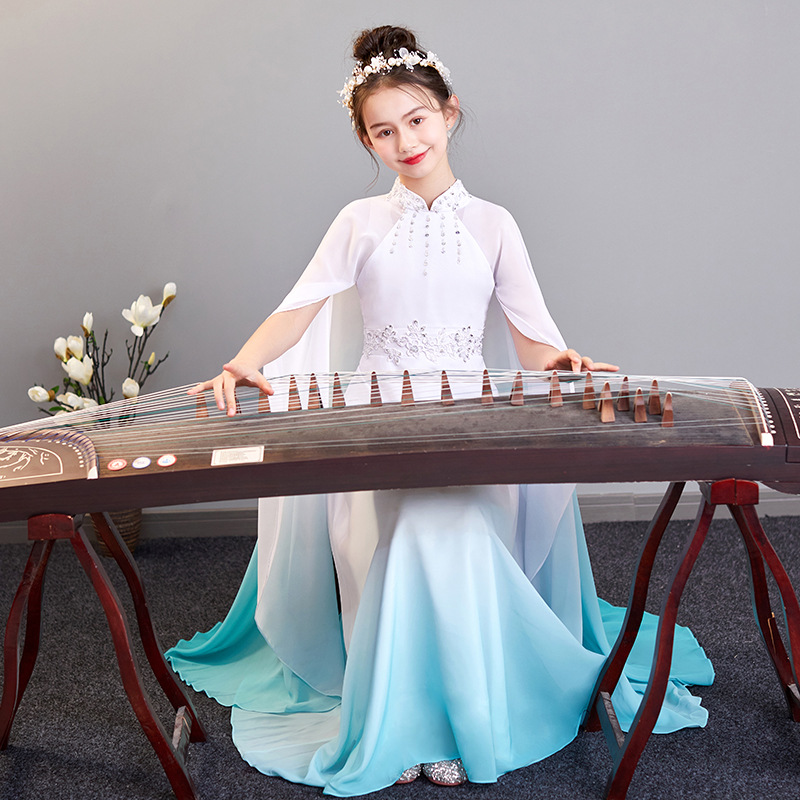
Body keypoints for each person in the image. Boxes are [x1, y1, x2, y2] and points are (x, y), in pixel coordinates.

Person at [166, 25, 713, 796]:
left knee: (446, 531)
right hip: (374, 427)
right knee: (400, 537)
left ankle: (454, 720)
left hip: (470, 422)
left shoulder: (494, 224)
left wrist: (563, 363)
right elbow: (297, 309)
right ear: (367, 140)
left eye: (417, 120)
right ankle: (403, 725)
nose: (406, 142)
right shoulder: (358, 222)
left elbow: (534, 340)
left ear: (449, 112)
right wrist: (244, 361)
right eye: (383, 131)